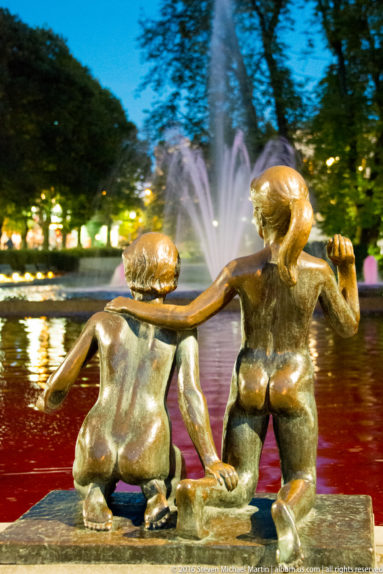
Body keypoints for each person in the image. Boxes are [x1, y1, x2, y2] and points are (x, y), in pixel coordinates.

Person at [105, 166, 359, 564]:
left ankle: (194, 493)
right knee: (301, 478)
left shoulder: (241, 269)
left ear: (261, 218)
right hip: (293, 377)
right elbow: (348, 326)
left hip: (250, 379)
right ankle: (286, 510)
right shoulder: (319, 271)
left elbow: (189, 315)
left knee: (237, 483)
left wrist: (129, 304)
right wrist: (347, 270)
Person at [37, 232, 237, 532]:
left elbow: (61, 380)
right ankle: (156, 494)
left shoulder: (102, 321)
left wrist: (47, 399)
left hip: (97, 441)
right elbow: (190, 396)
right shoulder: (180, 330)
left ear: (129, 272)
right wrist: (211, 459)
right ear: (174, 275)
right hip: (147, 445)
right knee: (174, 463)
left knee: (88, 477)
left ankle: (94, 493)